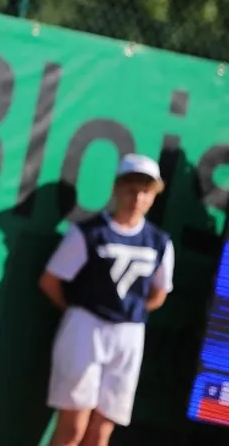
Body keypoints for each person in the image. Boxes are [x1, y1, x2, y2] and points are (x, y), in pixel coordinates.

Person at [38, 153, 175, 446]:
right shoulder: (87, 233)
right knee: (73, 429)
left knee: (101, 432)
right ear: (115, 188)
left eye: (145, 190)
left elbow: (159, 294)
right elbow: (50, 282)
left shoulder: (160, 242)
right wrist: (81, 311)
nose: (136, 197)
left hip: (129, 337)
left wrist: (129, 313)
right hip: (84, 331)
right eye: (130, 188)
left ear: (154, 196)